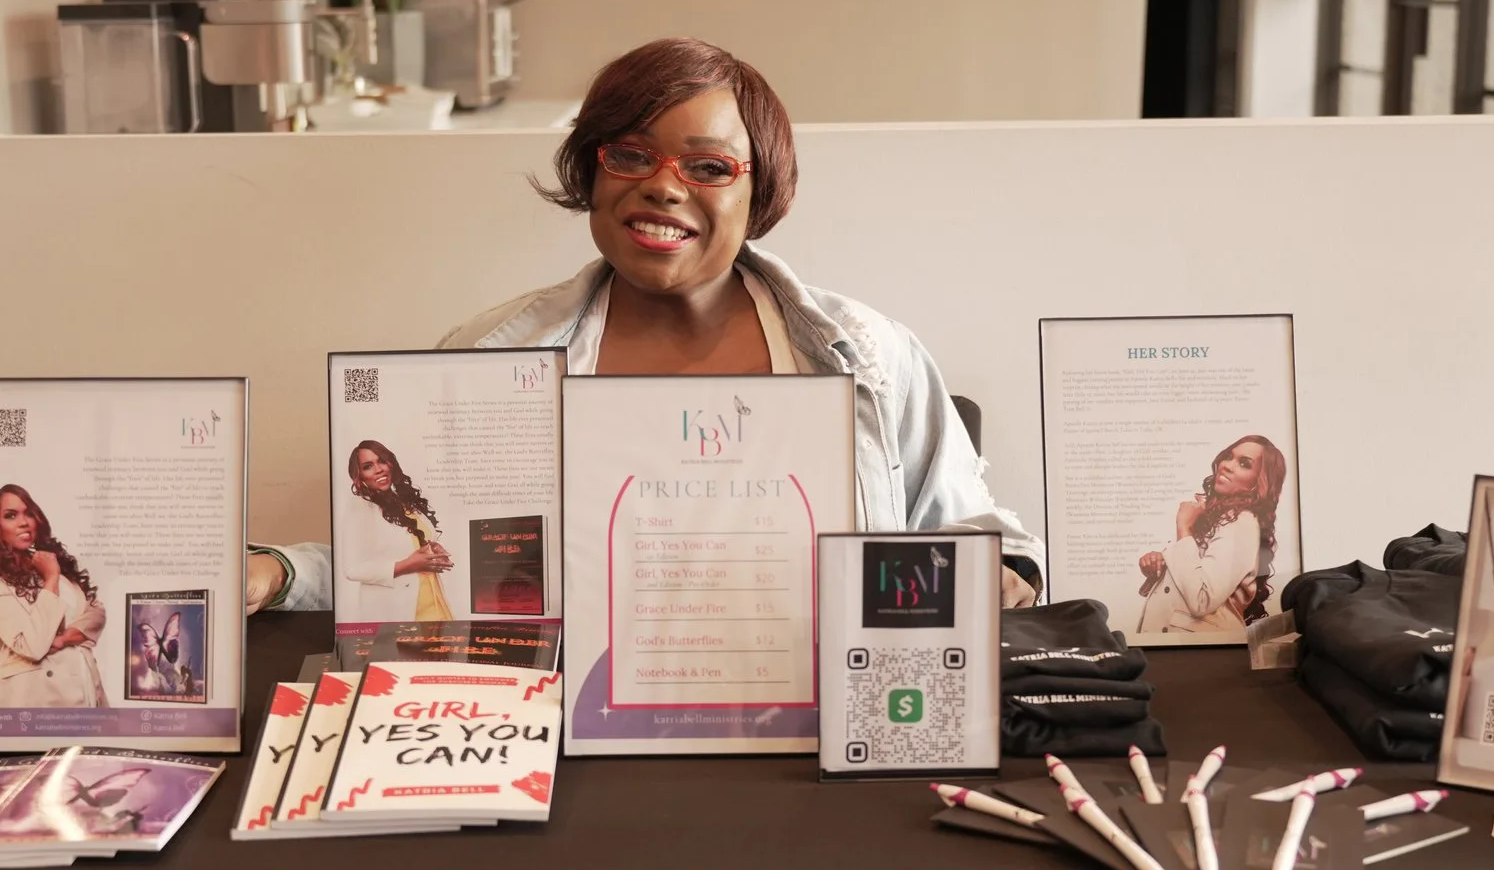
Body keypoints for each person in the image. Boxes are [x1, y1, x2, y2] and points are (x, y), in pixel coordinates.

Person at [247, 37, 1041, 612]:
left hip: (820, 737)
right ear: (593, 169)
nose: (665, 187)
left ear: (758, 191)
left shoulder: (867, 355)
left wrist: (995, 578)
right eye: (631, 154)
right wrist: (278, 571)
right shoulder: (488, 358)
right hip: (570, 740)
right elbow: (406, 558)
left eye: (707, 166)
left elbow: (994, 543)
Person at [1134, 434, 1287, 638]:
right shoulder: (1215, 517)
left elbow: (1202, 600)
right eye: (1228, 457)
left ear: (1257, 483)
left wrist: (1184, 528)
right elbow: (1192, 578)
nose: (1227, 466)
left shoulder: (1242, 522)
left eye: (1244, 464)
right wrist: (1159, 568)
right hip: (1175, 644)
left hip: (1196, 649)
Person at [0, 484, 108, 707]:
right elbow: (32, 645)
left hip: (84, 685)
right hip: (35, 695)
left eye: (29, 513)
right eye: (10, 515)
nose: (24, 522)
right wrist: (51, 578)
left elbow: (96, 612)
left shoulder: (53, 562)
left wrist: (63, 638)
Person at [335, 440, 458, 621]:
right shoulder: (360, 508)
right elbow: (352, 569)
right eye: (368, 466)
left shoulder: (401, 501)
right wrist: (409, 564)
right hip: (398, 608)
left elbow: (407, 543)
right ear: (359, 475)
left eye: (382, 461)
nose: (379, 469)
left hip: (433, 599)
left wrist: (432, 548)